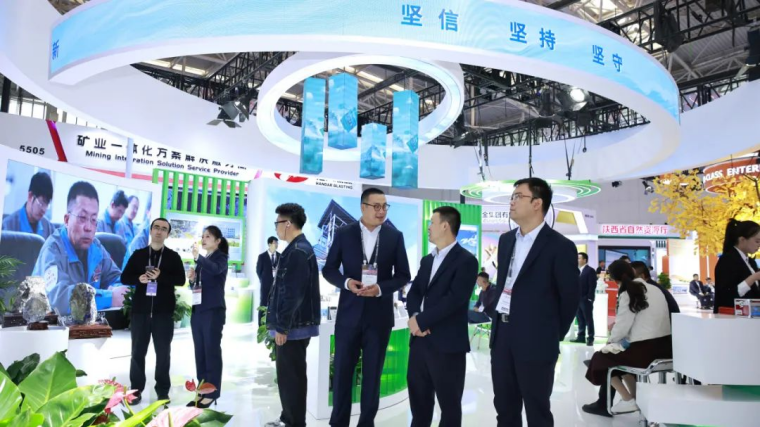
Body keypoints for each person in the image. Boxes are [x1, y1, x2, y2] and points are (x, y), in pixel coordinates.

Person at [485, 178, 579, 427]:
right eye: (512, 197)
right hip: (502, 335)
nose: (512, 202)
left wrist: (550, 334)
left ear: (537, 203)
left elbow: (570, 299)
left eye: (518, 196)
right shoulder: (506, 240)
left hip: (537, 340)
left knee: (537, 411)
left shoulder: (560, 246)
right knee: (504, 408)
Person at [322, 187, 411, 427]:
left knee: (372, 377)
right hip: (348, 317)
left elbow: (403, 275)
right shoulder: (344, 234)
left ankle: (366, 423)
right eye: (377, 206)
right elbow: (329, 269)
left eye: (385, 207)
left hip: (379, 318)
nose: (382, 211)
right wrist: (346, 283)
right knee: (342, 374)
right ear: (363, 207)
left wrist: (380, 288)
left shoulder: (394, 236)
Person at [405, 206, 479, 427]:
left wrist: (421, 321)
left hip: (447, 345)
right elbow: (415, 292)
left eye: (432, 222)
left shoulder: (466, 261)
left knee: (449, 408)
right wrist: (415, 316)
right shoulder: (427, 260)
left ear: (445, 225)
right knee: (419, 406)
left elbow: (454, 300)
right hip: (419, 343)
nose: (429, 227)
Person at [582, 260, 672, 417]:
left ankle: (627, 399)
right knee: (617, 356)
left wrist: (610, 341)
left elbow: (622, 326)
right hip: (666, 346)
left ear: (614, 279)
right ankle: (636, 398)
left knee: (600, 358)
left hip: (645, 351)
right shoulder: (655, 289)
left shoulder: (628, 293)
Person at [265, 203, 321, 427]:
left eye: (277, 222)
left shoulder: (298, 251)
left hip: (293, 327)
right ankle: (288, 418)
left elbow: (293, 293)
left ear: (287, 223)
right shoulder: (297, 248)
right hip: (294, 325)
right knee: (289, 377)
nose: (276, 227)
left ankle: (294, 422)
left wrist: (282, 327)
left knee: (292, 378)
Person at [121, 218, 186, 405]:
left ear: (168, 234)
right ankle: (135, 391)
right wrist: (139, 279)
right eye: (156, 227)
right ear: (150, 231)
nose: (159, 231)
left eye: (163, 229)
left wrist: (161, 276)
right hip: (140, 312)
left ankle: (162, 391)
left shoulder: (173, 257)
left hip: (163, 314)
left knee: (163, 354)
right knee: (137, 353)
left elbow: (181, 280)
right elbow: (124, 277)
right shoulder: (139, 255)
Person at [32, 181, 123, 315]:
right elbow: (59, 299)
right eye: (82, 217)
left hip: (87, 324)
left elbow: (117, 279)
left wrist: (117, 289)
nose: (89, 227)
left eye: (93, 219)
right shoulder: (53, 250)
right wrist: (109, 297)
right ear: (67, 220)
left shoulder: (96, 248)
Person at [187, 225, 229, 408]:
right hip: (198, 310)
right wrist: (192, 280)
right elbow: (197, 287)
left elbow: (215, 270)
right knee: (200, 352)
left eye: (208, 236)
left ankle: (212, 393)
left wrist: (198, 258)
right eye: (203, 236)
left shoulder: (221, 258)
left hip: (213, 311)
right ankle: (202, 390)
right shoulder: (203, 260)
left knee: (211, 351)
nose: (203, 239)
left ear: (218, 241)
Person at [714, 219, 760, 313]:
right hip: (732, 318)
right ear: (742, 240)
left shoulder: (751, 262)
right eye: (757, 241)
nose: (759, 245)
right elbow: (726, 295)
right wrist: (753, 278)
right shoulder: (727, 261)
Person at [2, 171, 54, 239]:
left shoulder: (49, 229)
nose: (44, 209)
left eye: (47, 204)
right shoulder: (7, 226)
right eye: (41, 203)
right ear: (30, 196)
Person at [572, 252, 596, 346]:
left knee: (588, 319)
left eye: (579, 258)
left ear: (584, 260)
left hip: (586, 299)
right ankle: (581, 337)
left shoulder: (590, 270)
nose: (577, 260)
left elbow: (592, 285)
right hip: (577, 299)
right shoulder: (577, 271)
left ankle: (590, 338)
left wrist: (589, 298)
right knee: (580, 319)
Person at [256, 236, 280, 326]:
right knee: (263, 304)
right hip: (265, 285)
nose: (276, 245)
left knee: (275, 305)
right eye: (275, 243)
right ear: (269, 244)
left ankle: (273, 325)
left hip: (277, 285)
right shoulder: (262, 256)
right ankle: (261, 326)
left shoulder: (280, 256)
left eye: (277, 243)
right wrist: (263, 280)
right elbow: (258, 270)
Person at [123, 198, 152, 269]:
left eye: (137, 208)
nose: (135, 211)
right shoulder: (119, 225)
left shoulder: (135, 228)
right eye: (133, 206)